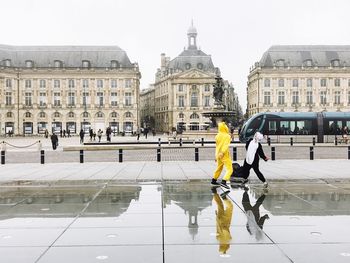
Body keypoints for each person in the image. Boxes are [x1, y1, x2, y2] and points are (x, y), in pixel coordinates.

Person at [211, 122, 233, 189]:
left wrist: (216, 156)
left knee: (219, 168)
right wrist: (222, 152)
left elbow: (217, 146)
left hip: (218, 154)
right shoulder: (227, 136)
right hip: (224, 154)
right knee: (230, 169)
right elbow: (226, 145)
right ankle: (224, 181)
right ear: (225, 128)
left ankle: (214, 180)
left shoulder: (217, 136)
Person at [212, 188, 233, 255]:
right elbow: (218, 229)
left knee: (230, 207)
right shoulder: (219, 239)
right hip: (220, 220)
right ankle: (214, 192)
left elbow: (224, 231)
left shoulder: (226, 240)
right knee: (220, 205)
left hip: (225, 222)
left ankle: (223, 197)